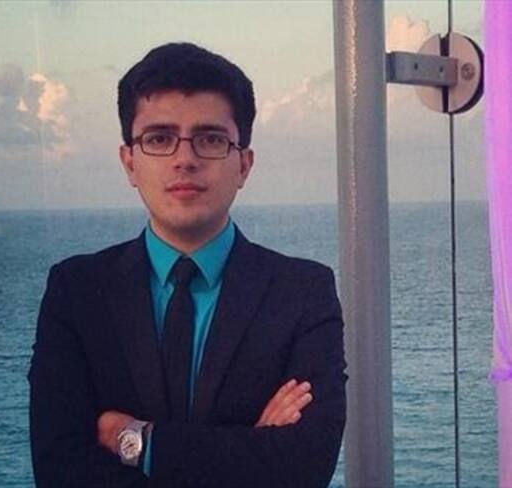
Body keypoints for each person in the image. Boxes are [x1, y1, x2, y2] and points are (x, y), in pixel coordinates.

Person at [28, 42, 347, 488]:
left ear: (244, 165)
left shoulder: (302, 293)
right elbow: (60, 472)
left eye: (210, 139)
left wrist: (136, 441)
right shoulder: (77, 292)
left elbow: (303, 466)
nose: (185, 159)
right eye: (159, 138)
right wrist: (252, 450)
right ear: (129, 162)